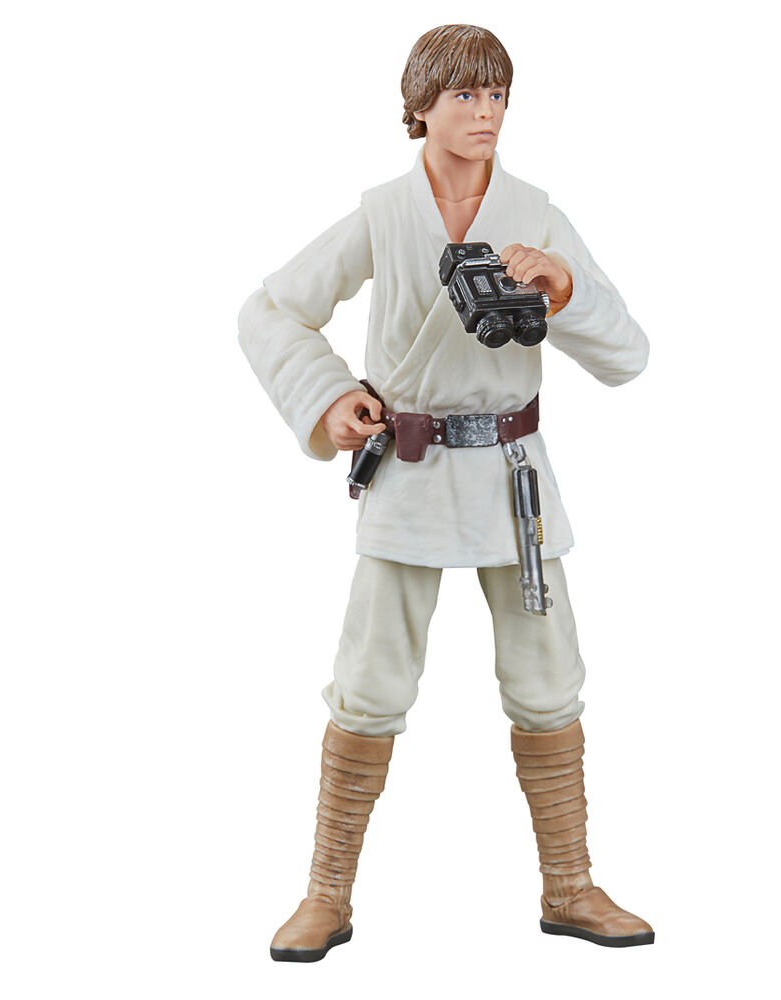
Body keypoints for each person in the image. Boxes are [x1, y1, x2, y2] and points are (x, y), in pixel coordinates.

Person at [239, 24, 652, 961]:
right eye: (466, 95)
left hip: (513, 478)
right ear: (421, 105)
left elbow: (627, 355)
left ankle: (570, 884)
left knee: (549, 680)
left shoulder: (535, 213)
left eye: (497, 95)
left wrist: (564, 288)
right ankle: (326, 892)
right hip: (412, 470)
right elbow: (271, 309)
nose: (486, 113)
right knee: (369, 681)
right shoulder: (384, 213)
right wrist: (329, 396)